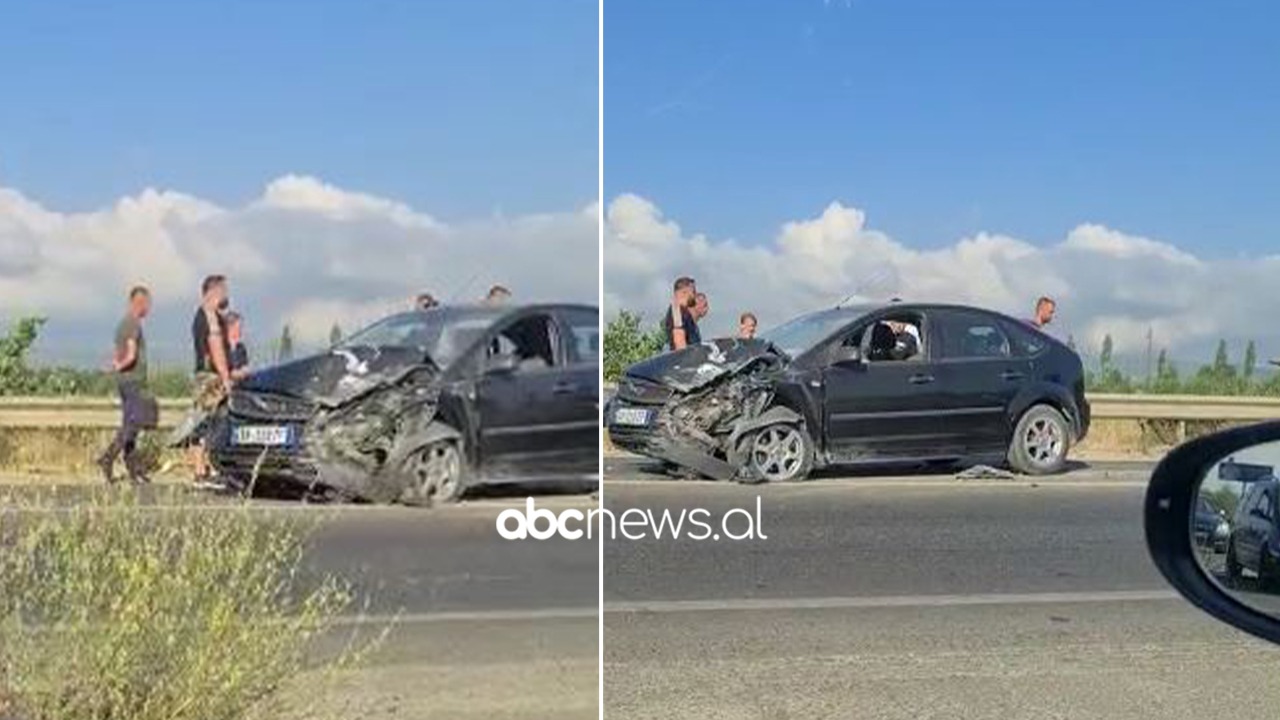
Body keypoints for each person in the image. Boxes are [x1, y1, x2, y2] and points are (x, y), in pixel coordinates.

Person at [97, 286, 154, 484]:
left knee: (131, 425)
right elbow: (130, 356)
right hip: (133, 382)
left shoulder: (123, 324)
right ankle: (107, 458)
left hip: (125, 382)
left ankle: (133, 471)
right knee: (132, 425)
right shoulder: (133, 324)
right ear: (139, 302)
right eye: (147, 303)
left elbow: (118, 354)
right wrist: (119, 366)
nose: (149, 307)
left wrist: (114, 366)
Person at [190, 274, 233, 486]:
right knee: (210, 423)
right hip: (210, 377)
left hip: (203, 375)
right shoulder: (209, 315)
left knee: (205, 422)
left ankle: (205, 470)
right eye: (224, 290)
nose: (226, 294)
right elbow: (215, 347)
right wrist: (225, 378)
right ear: (214, 291)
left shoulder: (204, 314)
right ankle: (201, 472)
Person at [662, 276, 701, 351]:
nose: (695, 295)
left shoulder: (685, 312)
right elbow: (679, 342)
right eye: (693, 291)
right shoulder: (676, 311)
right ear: (684, 292)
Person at [225, 310, 250, 380]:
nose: (240, 330)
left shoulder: (241, 348)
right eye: (238, 327)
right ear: (230, 327)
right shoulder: (223, 348)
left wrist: (244, 372)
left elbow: (245, 366)